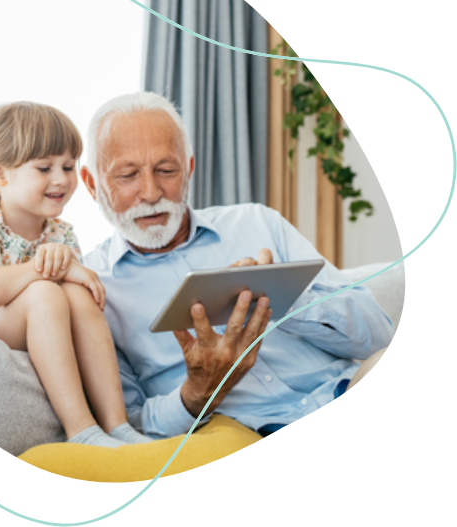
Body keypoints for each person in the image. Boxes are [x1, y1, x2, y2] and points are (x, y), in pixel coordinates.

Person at [80, 92, 394, 439]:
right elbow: (126, 424)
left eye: (166, 170)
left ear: (189, 168)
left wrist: (287, 299)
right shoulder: (92, 288)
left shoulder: (257, 222)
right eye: (128, 176)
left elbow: (379, 334)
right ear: (92, 184)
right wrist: (197, 394)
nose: (152, 192)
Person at [0, 101, 152, 447]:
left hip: (26, 328)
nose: (61, 179)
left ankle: (117, 424)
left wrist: (73, 274)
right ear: (0, 174)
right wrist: (43, 269)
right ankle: (80, 429)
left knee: (74, 293)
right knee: (45, 291)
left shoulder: (61, 233)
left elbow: (79, 301)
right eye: (44, 168)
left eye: (68, 166)